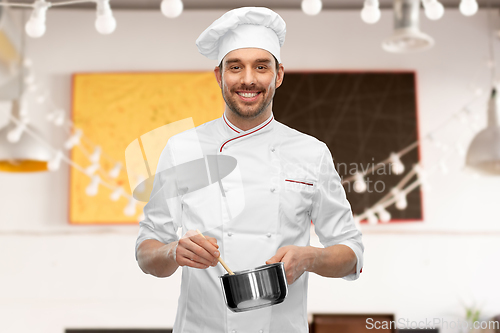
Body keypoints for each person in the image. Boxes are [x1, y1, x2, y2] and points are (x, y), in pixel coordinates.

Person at [135, 7, 364, 333]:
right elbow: (147, 253)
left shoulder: (311, 152)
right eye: (235, 67)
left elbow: (351, 253)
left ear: (279, 74)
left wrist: (310, 258)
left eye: (261, 67)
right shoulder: (183, 148)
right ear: (219, 75)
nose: (248, 79)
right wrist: (173, 252)